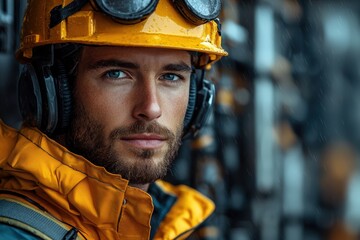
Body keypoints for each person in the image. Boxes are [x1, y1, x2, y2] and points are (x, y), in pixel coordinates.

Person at [0, 0, 227, 239]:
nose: (151, 108)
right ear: (52, 93)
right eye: (116, 74)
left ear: (197, 98)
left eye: (170, 77)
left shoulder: (166, 224)